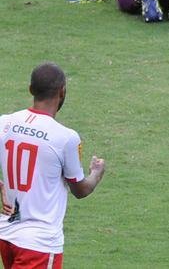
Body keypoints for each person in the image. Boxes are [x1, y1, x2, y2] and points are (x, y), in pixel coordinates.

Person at [0, 63, 106, 269]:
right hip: (39, 244)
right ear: (62, 91)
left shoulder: (5, 122)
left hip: (6, 234)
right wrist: (97, 173)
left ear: (31, 89)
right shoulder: (65, 137)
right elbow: (81, 190)